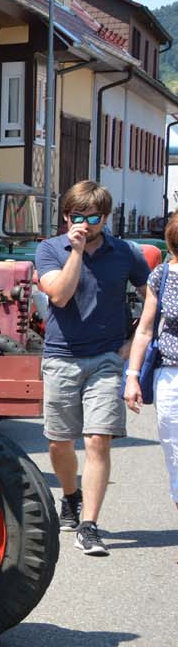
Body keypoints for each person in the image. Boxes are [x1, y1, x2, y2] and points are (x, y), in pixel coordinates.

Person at [35, 181, 149, 556]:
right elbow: (59, 295)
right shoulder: (50, 249)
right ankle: (71, 495)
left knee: (98, 439)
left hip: (106, 359)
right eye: (77, 216)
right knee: (59, 442)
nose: (85, 224)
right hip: (61, 357)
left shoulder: (126, 253)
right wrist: (76, 252)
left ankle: (89, 524)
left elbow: (153, 298)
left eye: (94, 218)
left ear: (106, 217)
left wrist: (133, 344)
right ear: (66, 216)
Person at [123, 212, 178, 519]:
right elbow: (144, 330)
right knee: (177, 460)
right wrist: (132, 377)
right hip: (171, 376)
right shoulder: (163, 276)